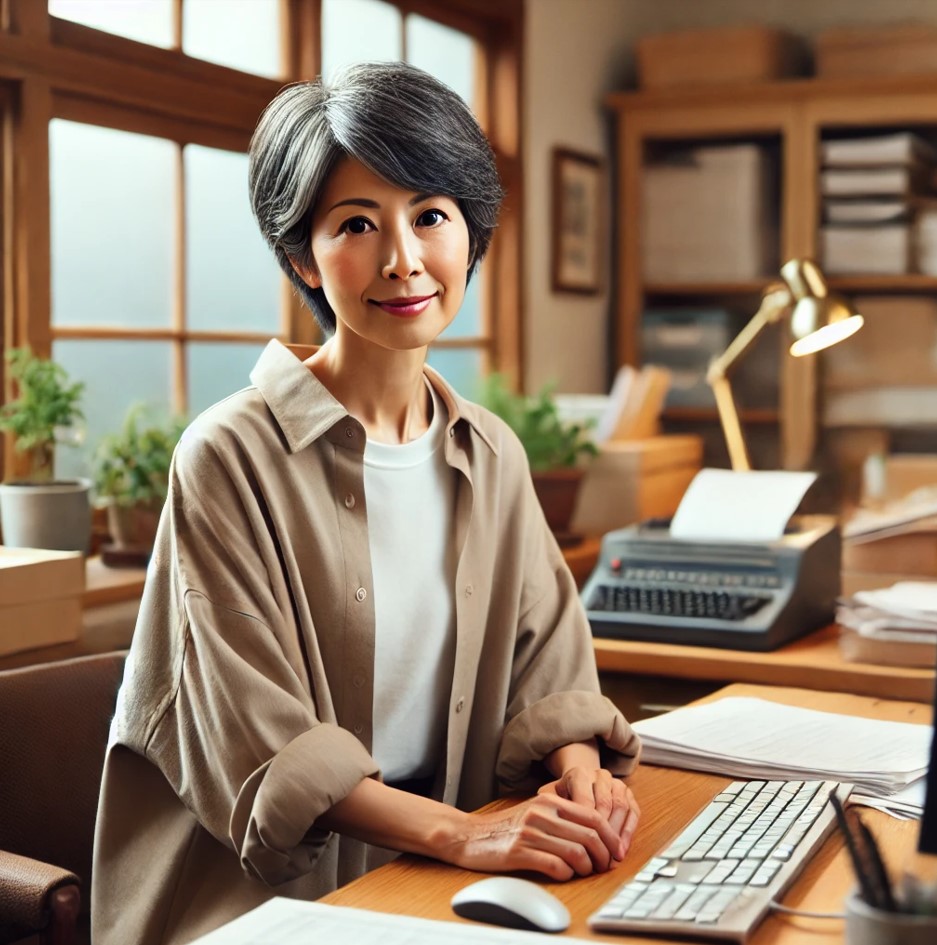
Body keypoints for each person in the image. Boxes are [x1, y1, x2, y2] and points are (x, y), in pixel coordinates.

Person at [91, 61, 641, 945]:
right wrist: (466, 833)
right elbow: (257, 735)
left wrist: (581, 774)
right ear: (302, 254)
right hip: (263, 904)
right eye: (357, 223)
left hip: (434, 883)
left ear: (471, 235)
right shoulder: (228, 455)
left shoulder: (490, 451)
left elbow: (549, 664)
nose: (403, 259)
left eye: (430, 215)